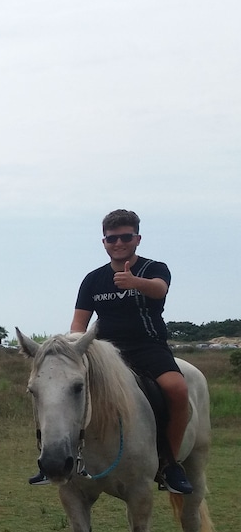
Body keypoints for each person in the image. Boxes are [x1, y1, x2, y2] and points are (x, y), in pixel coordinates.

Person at [29, 209, 192, 494]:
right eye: (112, 238)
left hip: (147, 347)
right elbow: (79, 324)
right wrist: (73, 349)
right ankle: (52, 460)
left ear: (137, 238)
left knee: (177, 389)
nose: (119, 243)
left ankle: (169, 464)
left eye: (126, 237)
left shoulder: (154, 268)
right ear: (103, 242)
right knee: (56, 390)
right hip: (102, 353)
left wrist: (134, 283)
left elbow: (159, 290)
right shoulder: (93, 280)